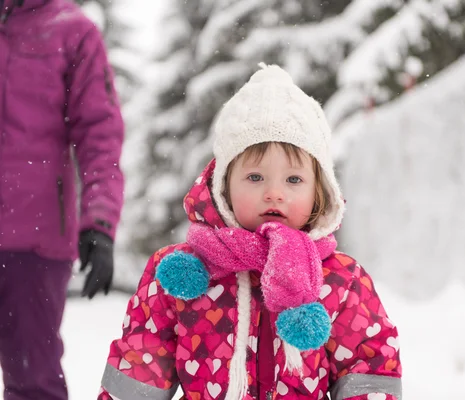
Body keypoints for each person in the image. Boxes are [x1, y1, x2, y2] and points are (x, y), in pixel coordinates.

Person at [98, 64, 401, 400]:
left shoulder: (341, 280)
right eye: (255, 177)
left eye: (294, 179)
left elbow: (369, 373)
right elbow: (140, 370)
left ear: (320, 191)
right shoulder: (181, 272)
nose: (274, 192)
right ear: (224, 186)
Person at [0, 0, 125, 399]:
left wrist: (100, 223)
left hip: (34, 242)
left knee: (33, 380)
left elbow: (99, 137)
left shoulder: (72, 31)